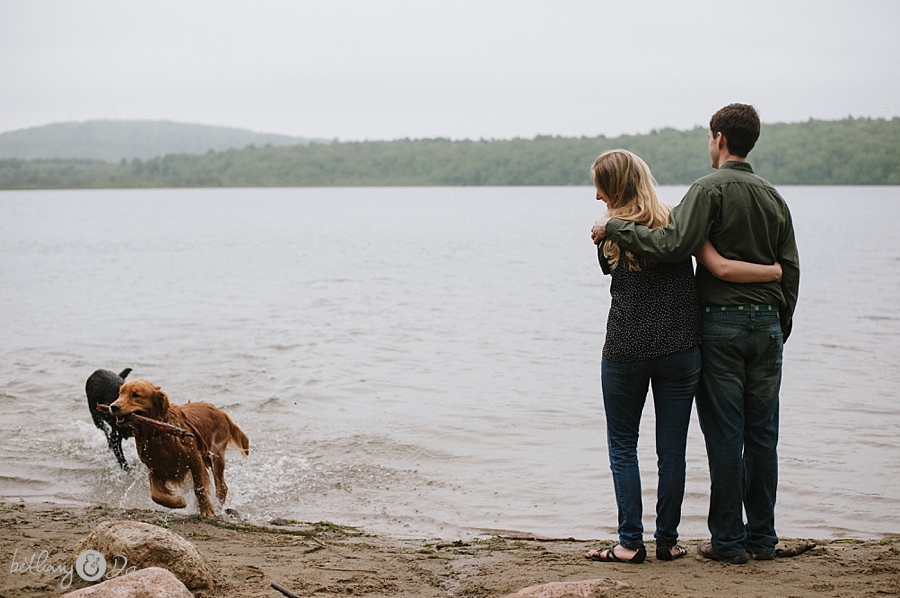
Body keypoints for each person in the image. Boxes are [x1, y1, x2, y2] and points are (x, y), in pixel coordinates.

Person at [591, 104, 800, 564]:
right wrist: (780, 323)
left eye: (709, 136)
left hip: (716, 326)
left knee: (725, 434)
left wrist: (615, 226)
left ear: (720, 138)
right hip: (759, 326)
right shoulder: (773, 196)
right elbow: (791, 267)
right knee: (762, 434)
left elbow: (674, 245)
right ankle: (759, 539)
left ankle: (724, 541)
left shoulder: (707, 190)